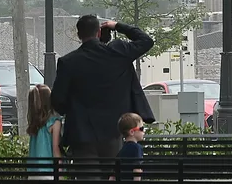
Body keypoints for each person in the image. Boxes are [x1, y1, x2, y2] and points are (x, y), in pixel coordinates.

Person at [51, 17, 154, 159]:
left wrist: (72, 109)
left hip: (81, 133)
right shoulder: (118, 53)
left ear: (79, 35)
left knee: (87, 177)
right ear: (99, 32)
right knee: (113, 174)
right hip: (114, 131)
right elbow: (146, 41)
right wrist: (117, 25)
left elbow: (58, 100)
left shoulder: (68, 62)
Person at [26, 84, 62, 179]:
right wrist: (60, 171)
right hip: (49, 173)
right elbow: (55, 149)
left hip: (32, 173)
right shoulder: (54, 122)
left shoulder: (34, 125)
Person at [115, 113, 145, 181]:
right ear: (132, 132)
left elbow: (114, 173)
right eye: (141, 128)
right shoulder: (137, 148)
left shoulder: (122, 149)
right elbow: (137, 170)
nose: (144, 131)